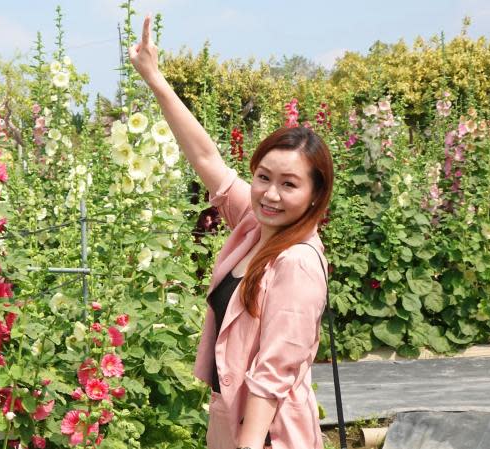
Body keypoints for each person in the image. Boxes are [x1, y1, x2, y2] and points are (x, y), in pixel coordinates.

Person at [129, 14, 334, 449]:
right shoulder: (254, 225)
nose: (270, 194)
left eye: (289, 184)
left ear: (316, 195)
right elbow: (208, 160)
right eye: (263, 177)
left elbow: (271, 377)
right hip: (233, 424)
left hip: (267, 434)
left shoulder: (296, 262)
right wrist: (156, 80)